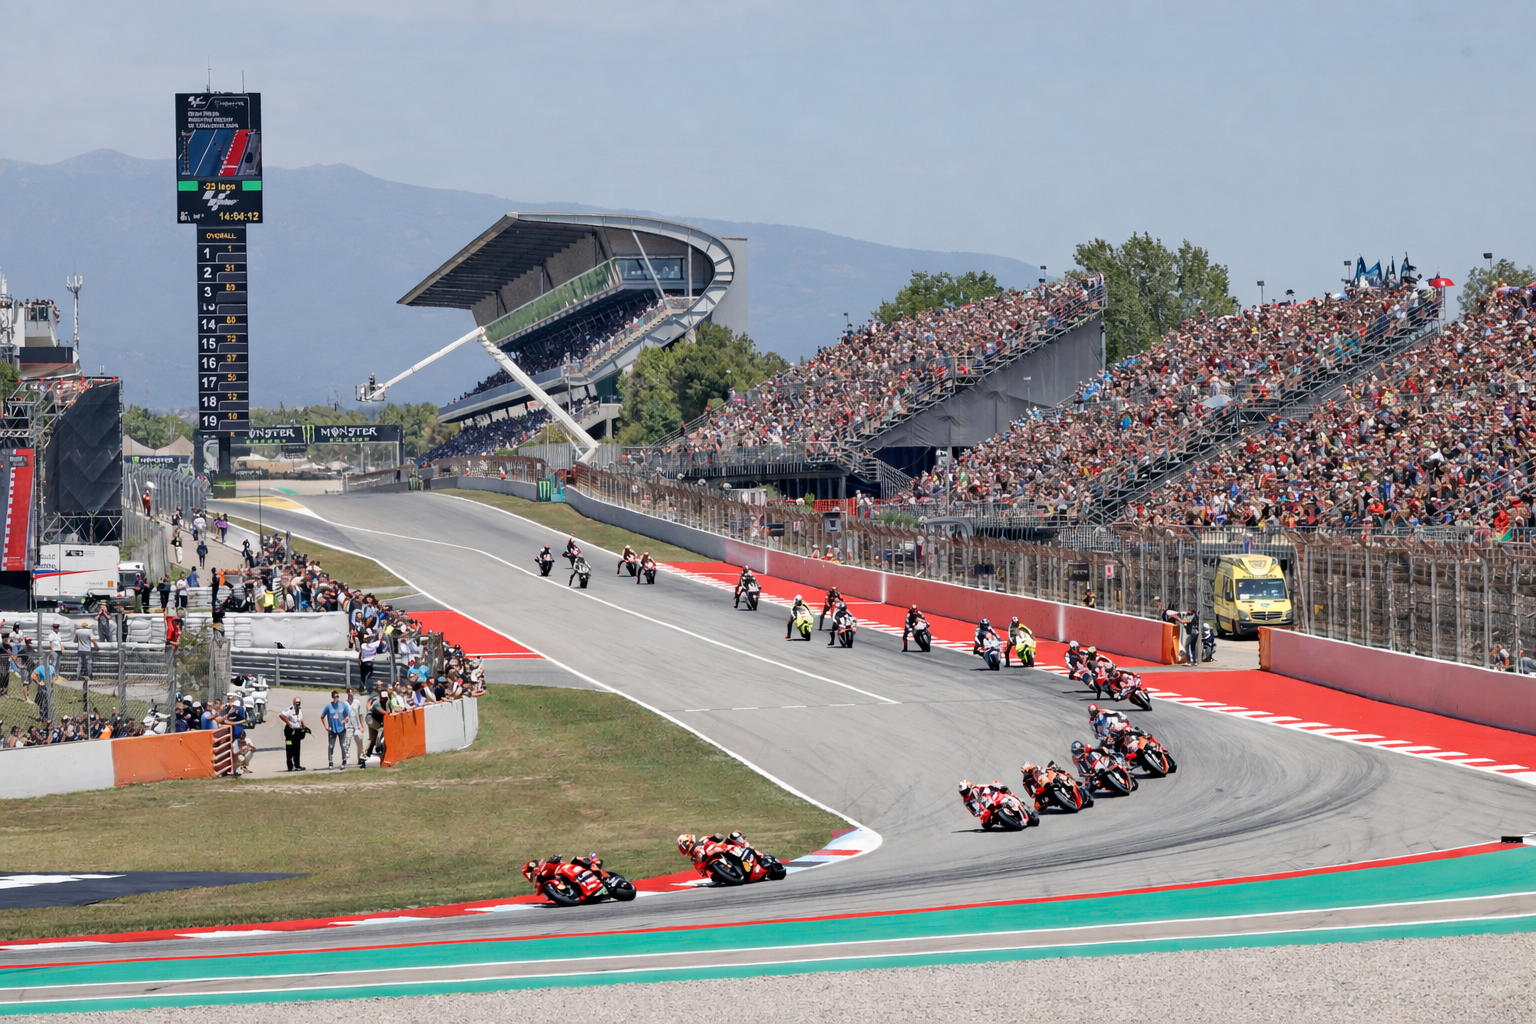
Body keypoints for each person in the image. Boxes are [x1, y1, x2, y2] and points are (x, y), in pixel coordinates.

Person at [279, 697, 308, 771]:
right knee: (289, 748)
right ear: (294, 703)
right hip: (290, 732)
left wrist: (304, 726)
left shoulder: (300, 710)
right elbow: (281, 715)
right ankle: (290, 766)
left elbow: (300, 719)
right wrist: (288, 723)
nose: (298, 704)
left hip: (297, 732)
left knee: (297, 749)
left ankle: (297, 765)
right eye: (296, 702)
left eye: (299, 702)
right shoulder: (290, 710)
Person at [345, 686, 367, 768]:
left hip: (357, 725)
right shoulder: (345, 703)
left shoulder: (357, 702)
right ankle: (345, 760)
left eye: (352, 692)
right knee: (346, 743)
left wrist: (362, 725)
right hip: (348, 726)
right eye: (349, 692)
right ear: (347, 693)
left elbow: (360, 714)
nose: (350, 694)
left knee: (360, 743)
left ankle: (360, 760)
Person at [73, 618, 97, 684]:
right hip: (87, 649)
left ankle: (78, 675)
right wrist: (96, 646)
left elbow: (75, 640)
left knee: (80, 663)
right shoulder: (89, 631)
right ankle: (90, 675)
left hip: (80, 649)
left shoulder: (78, 631)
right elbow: (93, 640)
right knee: (89, 662)